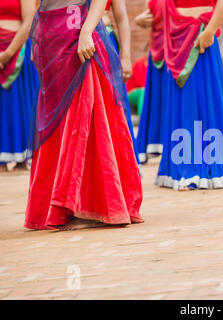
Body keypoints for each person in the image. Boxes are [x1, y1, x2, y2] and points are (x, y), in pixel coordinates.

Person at [24, 0, 143, 230]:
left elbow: (119, 16)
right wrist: (37, 38)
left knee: (85, 118)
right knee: (58, 124)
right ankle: (59, 205)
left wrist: (87, 30)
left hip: (80, 35)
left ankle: (79, 204)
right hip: (51, 41)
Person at [146, 0, 223, 191]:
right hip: (176, 36)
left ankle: (210, 166)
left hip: (202, 32)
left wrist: (211, 29)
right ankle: (183, 167)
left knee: (207, 100)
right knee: (182, 103)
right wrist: (148, 17)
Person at [0, 0, 39, 172]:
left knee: (16, 104)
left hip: (17, 49)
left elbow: (28, 22)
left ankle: (22, 157)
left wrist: (6, 54)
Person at [102, 0, 141, 169]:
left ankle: (122, 167)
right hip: (72, 43)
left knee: (113, 105)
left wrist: (125, 56)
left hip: (105, 40)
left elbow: (122, 17)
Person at [135, 0, 168, 162]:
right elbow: (147, 14)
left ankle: (175, 145)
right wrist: (139, 20)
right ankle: (154, 144)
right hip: (158, 49)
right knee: (156, 98)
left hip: (179, 45)